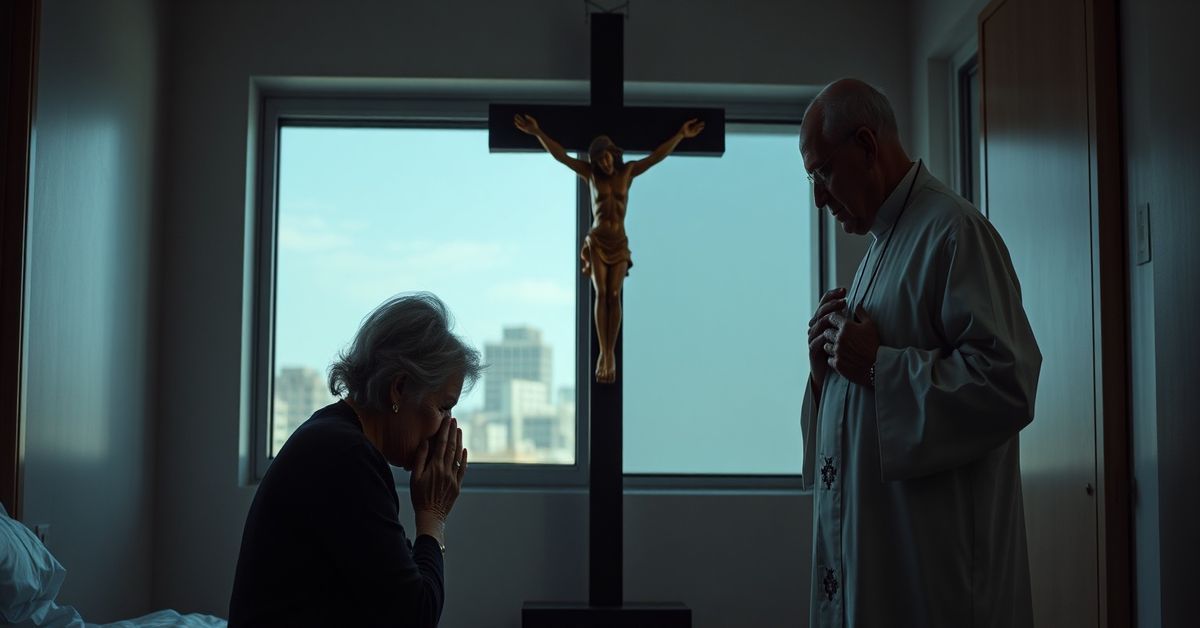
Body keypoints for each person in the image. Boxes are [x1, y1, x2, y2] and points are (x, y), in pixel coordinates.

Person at [799, 79, 1042, 627]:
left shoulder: (954, 232)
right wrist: (826, 376)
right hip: (881, 565)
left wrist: (878, 368)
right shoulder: (881, 249)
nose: (817, 196)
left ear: (866, 145)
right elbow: (862, 387)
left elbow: (1009, 384)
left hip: (935, 578)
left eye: (823, 172)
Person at [229, 293, 482, 628]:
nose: (448, 427)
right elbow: (415, 616)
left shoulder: (337, 437)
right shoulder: (346, 457)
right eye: (443, 408)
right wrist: (433, 516)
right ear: (400, 388)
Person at [514, 113, 704, 383]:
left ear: (613, 155)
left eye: (606, 157)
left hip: (619, 241)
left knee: (615, 293)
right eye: (598, 159)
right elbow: (562, 156)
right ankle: (604, 354)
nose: (603, 163)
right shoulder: (591, 175)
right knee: (601, 293)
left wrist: (681, 136)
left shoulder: (628, 172)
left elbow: (656, 157)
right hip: (598, 240)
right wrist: (537, 132)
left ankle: (609, 352)